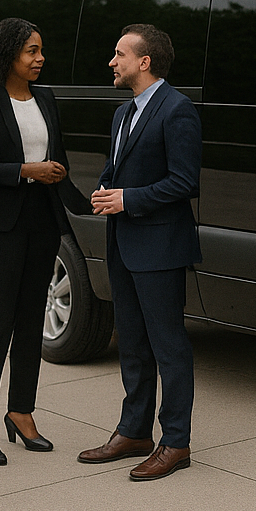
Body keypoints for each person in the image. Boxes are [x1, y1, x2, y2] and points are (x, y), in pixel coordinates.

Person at [0, 18, 90, 466]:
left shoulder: (47, 98)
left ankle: (21, 411)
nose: (40, 59)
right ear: (8, 54)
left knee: (32, 318)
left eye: (40, 51)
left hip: (43, 220)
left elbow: (61, 161)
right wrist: (22, 171)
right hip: (1, 224)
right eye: (31, 51)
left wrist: (87, 201)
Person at [77, 25, 202, 480]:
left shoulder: (177, 110)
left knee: (168, 346)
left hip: (161, 248)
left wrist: (128, 198)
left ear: (144, 61)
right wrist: (105, 190)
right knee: (130, 342)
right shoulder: (123, 114)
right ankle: (133, 432)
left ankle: (176, 441)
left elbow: (185, 181)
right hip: (123, 245)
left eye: (119, 54)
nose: (112, 62)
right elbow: (116, 169)